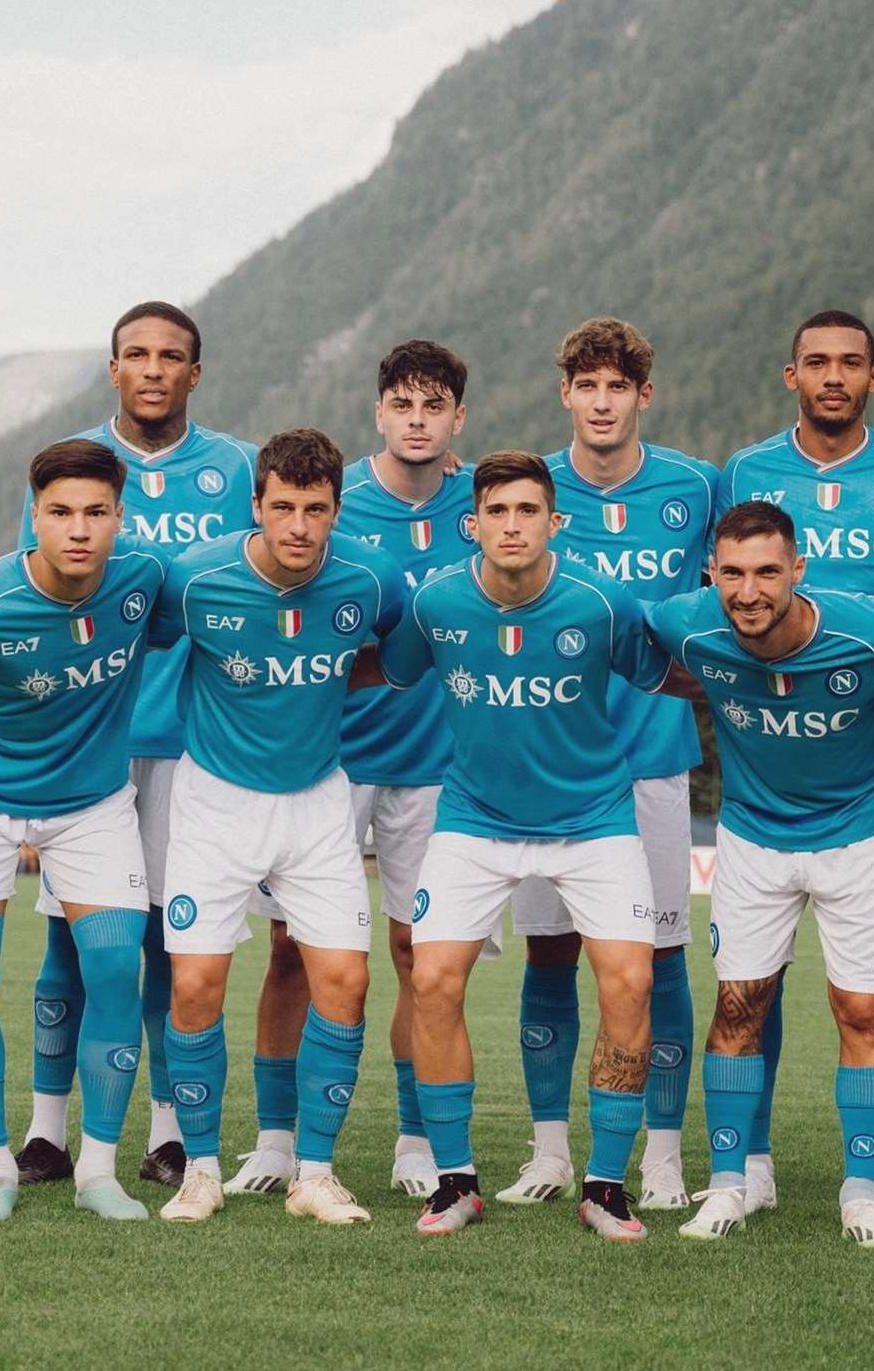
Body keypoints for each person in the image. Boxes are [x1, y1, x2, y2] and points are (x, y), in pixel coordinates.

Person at [373, 451, 670, 1242]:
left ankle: (605, 1184)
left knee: (630, 981)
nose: (512, 525)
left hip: (593, 818)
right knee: (431, 977)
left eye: (527, 510)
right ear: (471, 523)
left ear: (553, 521)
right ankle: (455, 1181)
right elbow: (390, 671)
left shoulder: (603, 604)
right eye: (496, 512)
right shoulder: (436, 602)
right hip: (474, 818)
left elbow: (660, 675)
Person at [647, 500, 874, 1251]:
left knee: (862, 1011)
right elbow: (624, 641)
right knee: (738, 1004)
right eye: (733, 574)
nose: (749, 591)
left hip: (861, 836)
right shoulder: (688, 622)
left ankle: (863, 1189)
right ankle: (726, 1186)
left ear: (797, 571)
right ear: (711, 573)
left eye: (767, 572)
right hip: (752, 837)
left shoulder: (869, 631)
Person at [0, 440, 170, 1222]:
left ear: (120, 515)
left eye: (95, 512)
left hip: (92, 804)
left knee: (116, 969)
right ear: (34, 514)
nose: (78, 529)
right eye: (60, 512)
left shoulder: (144, 582)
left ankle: (99, 1172)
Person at [16, 301, 258, 1190]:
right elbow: (32, 605)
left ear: (196, 372)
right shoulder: (71, 468)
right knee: (70, 945)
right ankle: (45, 1131)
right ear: (112, 367)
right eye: (136, 355)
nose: (153, 369)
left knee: (169, 940)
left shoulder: (236, 469)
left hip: (199, 744)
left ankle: (166, 1132)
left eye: (171, 357)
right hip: (91, 744)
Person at [226, 340, 474, 1202]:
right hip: (324, 763)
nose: (416, 420)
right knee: (291, 952)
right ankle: (275, 1139)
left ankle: (412, 1138)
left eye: (432, 406)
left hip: (435, 761)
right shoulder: (332, 502)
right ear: (378, 413)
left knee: (417, 952)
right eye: (401, 405)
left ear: (456, 418)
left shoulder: (480, 505)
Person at [149, 429, 404, 1226]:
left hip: (318, 802)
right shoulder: (193, 580)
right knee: (194, 986)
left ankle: (315, 1173)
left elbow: (395, 651)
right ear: (255, 505)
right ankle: (198, 1169)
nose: (299, 525)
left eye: (316, 509)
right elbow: (141, 642)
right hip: (213, 804)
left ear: (336, 510)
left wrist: (327, 670)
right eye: (284, 507)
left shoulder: (371, 579)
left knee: (348, 982)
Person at [713, 309, 874, 1221]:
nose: (833, 376)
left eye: (850, 363)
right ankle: (749, 1159)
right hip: (770, 751)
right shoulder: (747, 472)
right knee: (748, 980)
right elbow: (720, 605)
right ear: (789, 374)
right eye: (816, 363)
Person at [502, 318, 717, 1212]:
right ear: (565, 394)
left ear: (642, 396)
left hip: (652, 760)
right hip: (545, 765)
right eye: (585, 386)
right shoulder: (530, 492)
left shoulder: (695, 487)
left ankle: (661, 1157)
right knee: (550, 954)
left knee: (657, 959)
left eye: (616, 387)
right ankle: (551, 1151)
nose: (601, 402)